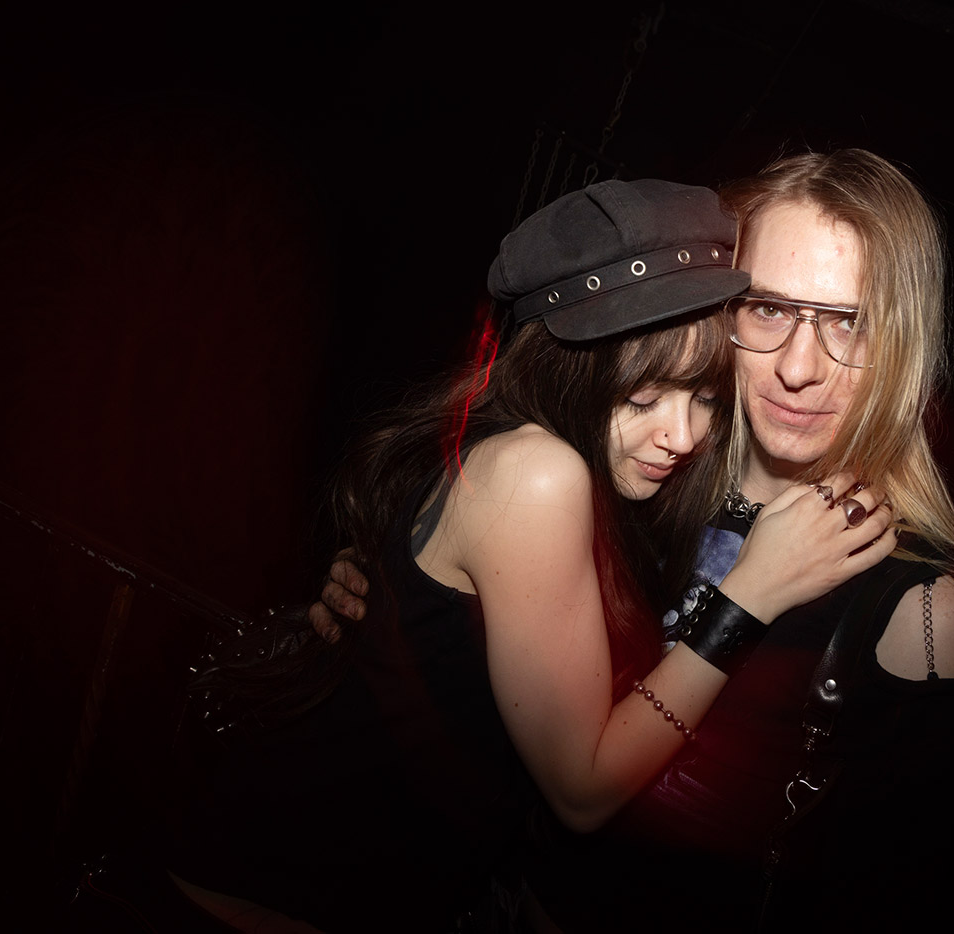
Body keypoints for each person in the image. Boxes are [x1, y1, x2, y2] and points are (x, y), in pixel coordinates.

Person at [168, 176, 898, 932]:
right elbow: (583, 792)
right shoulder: (537, 472)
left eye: (705, 398)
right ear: (568, 373)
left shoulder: (586, 476)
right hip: (266, 898)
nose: (682, 437)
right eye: (642, 399)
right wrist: (750, 594)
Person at [317, 150, 954, 930]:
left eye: (851, 320)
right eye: (769, 309)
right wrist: (390, 597)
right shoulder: (641, 481)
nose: (798, 368)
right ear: (714, 310)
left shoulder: (927, 607)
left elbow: (896, 893)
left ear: (906, 342)